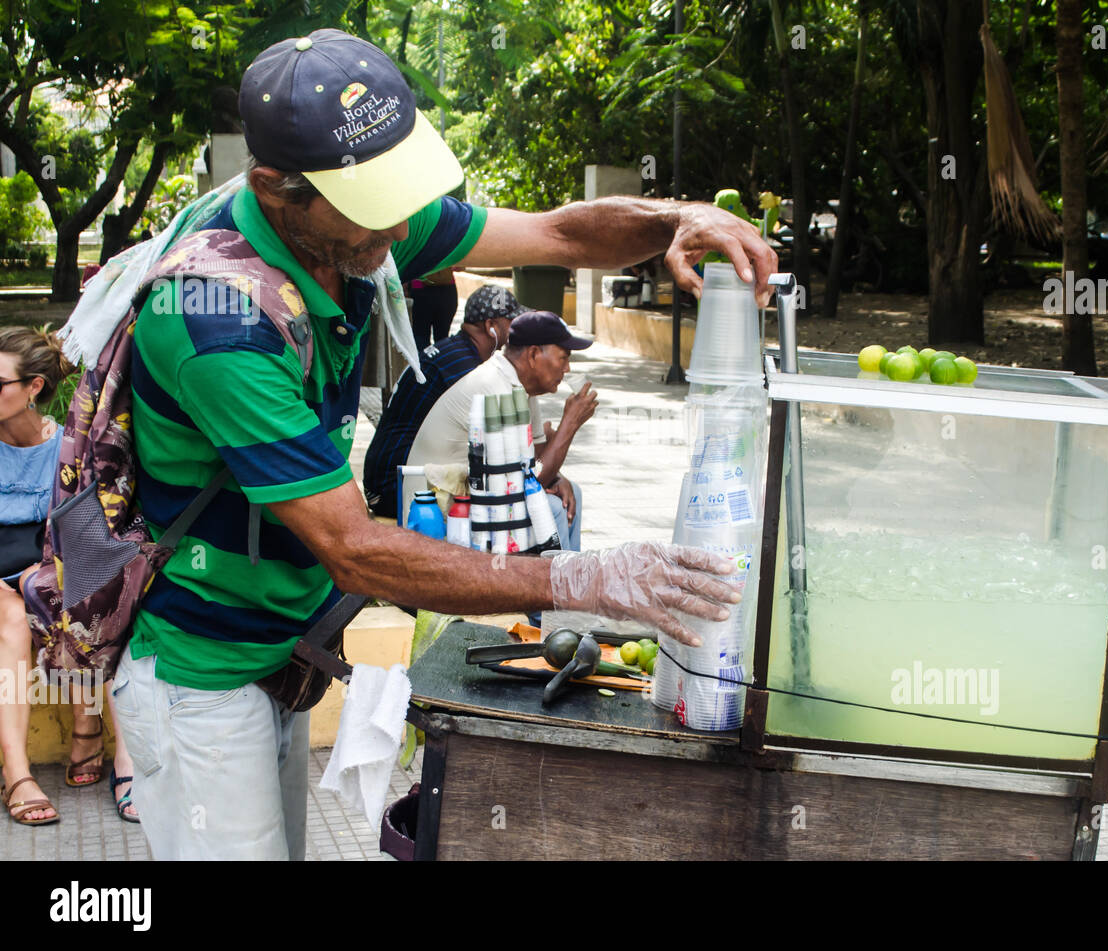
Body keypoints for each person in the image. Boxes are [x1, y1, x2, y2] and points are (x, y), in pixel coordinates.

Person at [111, 28, 775, 860]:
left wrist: (680, 215)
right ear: (276, 189)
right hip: (200, 677)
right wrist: (581, 575)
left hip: (281, 655)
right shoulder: (217, 322)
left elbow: (561, 235)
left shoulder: (362, 223)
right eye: (370, 201)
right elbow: (354, 549)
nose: (398, 222)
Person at [0, 327, 139, 825]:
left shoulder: (65, 447)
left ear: (33, 388)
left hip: (42, 571)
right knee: (12, 621)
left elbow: (86, 531)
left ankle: (121, 754)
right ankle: (18, 774)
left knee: (99, 597)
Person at [407, 310, 596, 551]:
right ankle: (555, 584)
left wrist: (559, 477)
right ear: (534, 354)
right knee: (551, 508)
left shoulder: (521, 388)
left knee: (571, 493)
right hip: (441, 512)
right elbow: (531, 481)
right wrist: (569, 423)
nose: (567, 368)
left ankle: (572, 581)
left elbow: (534, 463)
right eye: (563, 358)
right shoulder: (493, 387)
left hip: (479, 495)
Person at [363, 283, 524, 519]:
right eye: (512, 324)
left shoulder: (454, 353)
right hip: (394, 487)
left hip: (387, 479)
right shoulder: (467, 372)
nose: (516, 333)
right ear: (491, 327)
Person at [408, 268, 460, 350]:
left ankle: (423, 361)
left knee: (421, 338)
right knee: (442, 339)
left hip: (421, 288)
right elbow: (459, 265)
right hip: (446, 289)